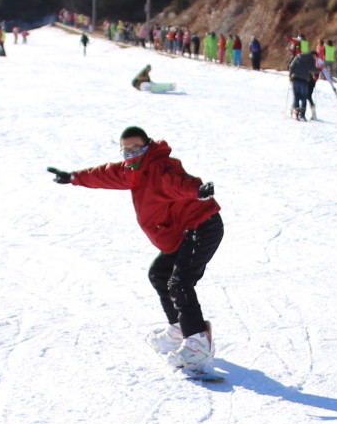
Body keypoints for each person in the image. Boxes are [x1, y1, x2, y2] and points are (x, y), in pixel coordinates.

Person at [47, 126, 223, 375]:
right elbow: (103, 175)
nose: (131, 153)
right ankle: (180, 329)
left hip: (201, 226)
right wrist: (73, 178)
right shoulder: (132, 171)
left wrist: (197, 191)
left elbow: (177, 182)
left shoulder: (160, 167)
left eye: (136, 147)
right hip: (180, 233)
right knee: (159, 274)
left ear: (147, 145)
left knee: (180, 283)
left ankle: (198, 343)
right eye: (126, 149)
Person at [288, 46, 319, 120]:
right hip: (304, 80)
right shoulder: (311, 59)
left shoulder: (298, 56)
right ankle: (302, 115)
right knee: (304, 98)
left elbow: (292, 66)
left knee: (296, 97)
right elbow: (313, 69)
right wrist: (320, 69)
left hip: (295, 78)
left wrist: (290, 75)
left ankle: (296, 113)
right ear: (313, 55)